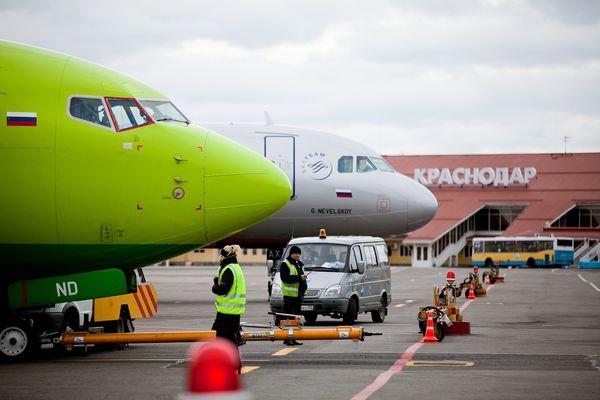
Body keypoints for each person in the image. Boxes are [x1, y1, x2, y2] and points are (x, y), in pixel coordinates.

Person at [211, 245, 246, 359]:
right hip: (233, 310)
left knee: (218, 336)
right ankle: (234, 362)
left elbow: (223, 289)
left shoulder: (228, 269)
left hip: (227, 311)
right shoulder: (236, 267)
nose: (219, 258)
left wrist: (215, 286)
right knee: (229, 338)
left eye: (220, 256)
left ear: (224, 256)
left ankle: (225, 361)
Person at [280, 245, 307, 346]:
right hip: (289, 296)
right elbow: (285, 278)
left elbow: (302, 278)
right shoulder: (285, 264)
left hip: (298, 296)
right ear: (291, 253)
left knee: (296, 319)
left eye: (299, 253)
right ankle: (287, 338)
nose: (297, 255)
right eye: (295, 253)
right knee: (289, 319)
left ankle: (293, 338)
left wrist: (304, 288)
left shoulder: (300, 264)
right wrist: (300, 278)